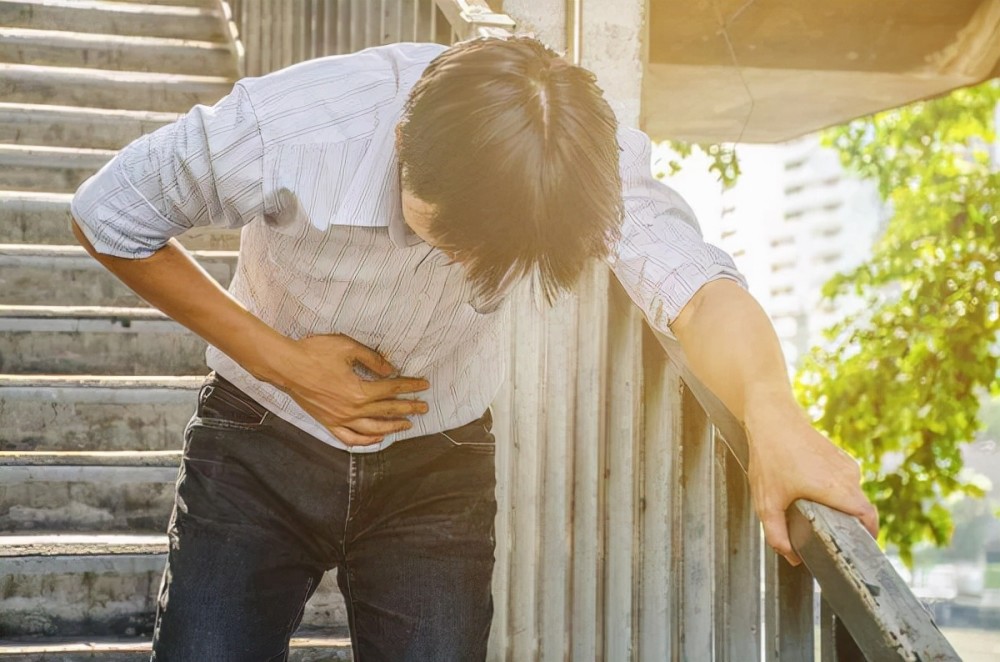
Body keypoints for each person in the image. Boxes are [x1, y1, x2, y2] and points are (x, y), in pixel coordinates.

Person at [70, 36, 879, 661]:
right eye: (450, 234)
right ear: (402, 149)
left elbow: (698, 290)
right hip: (257, 444)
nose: (466, 265)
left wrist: (775, 416)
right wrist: (284, 362)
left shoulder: (573, 163)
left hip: (437, 470)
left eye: (498, 254)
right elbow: (108, 212)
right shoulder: (291, 129)